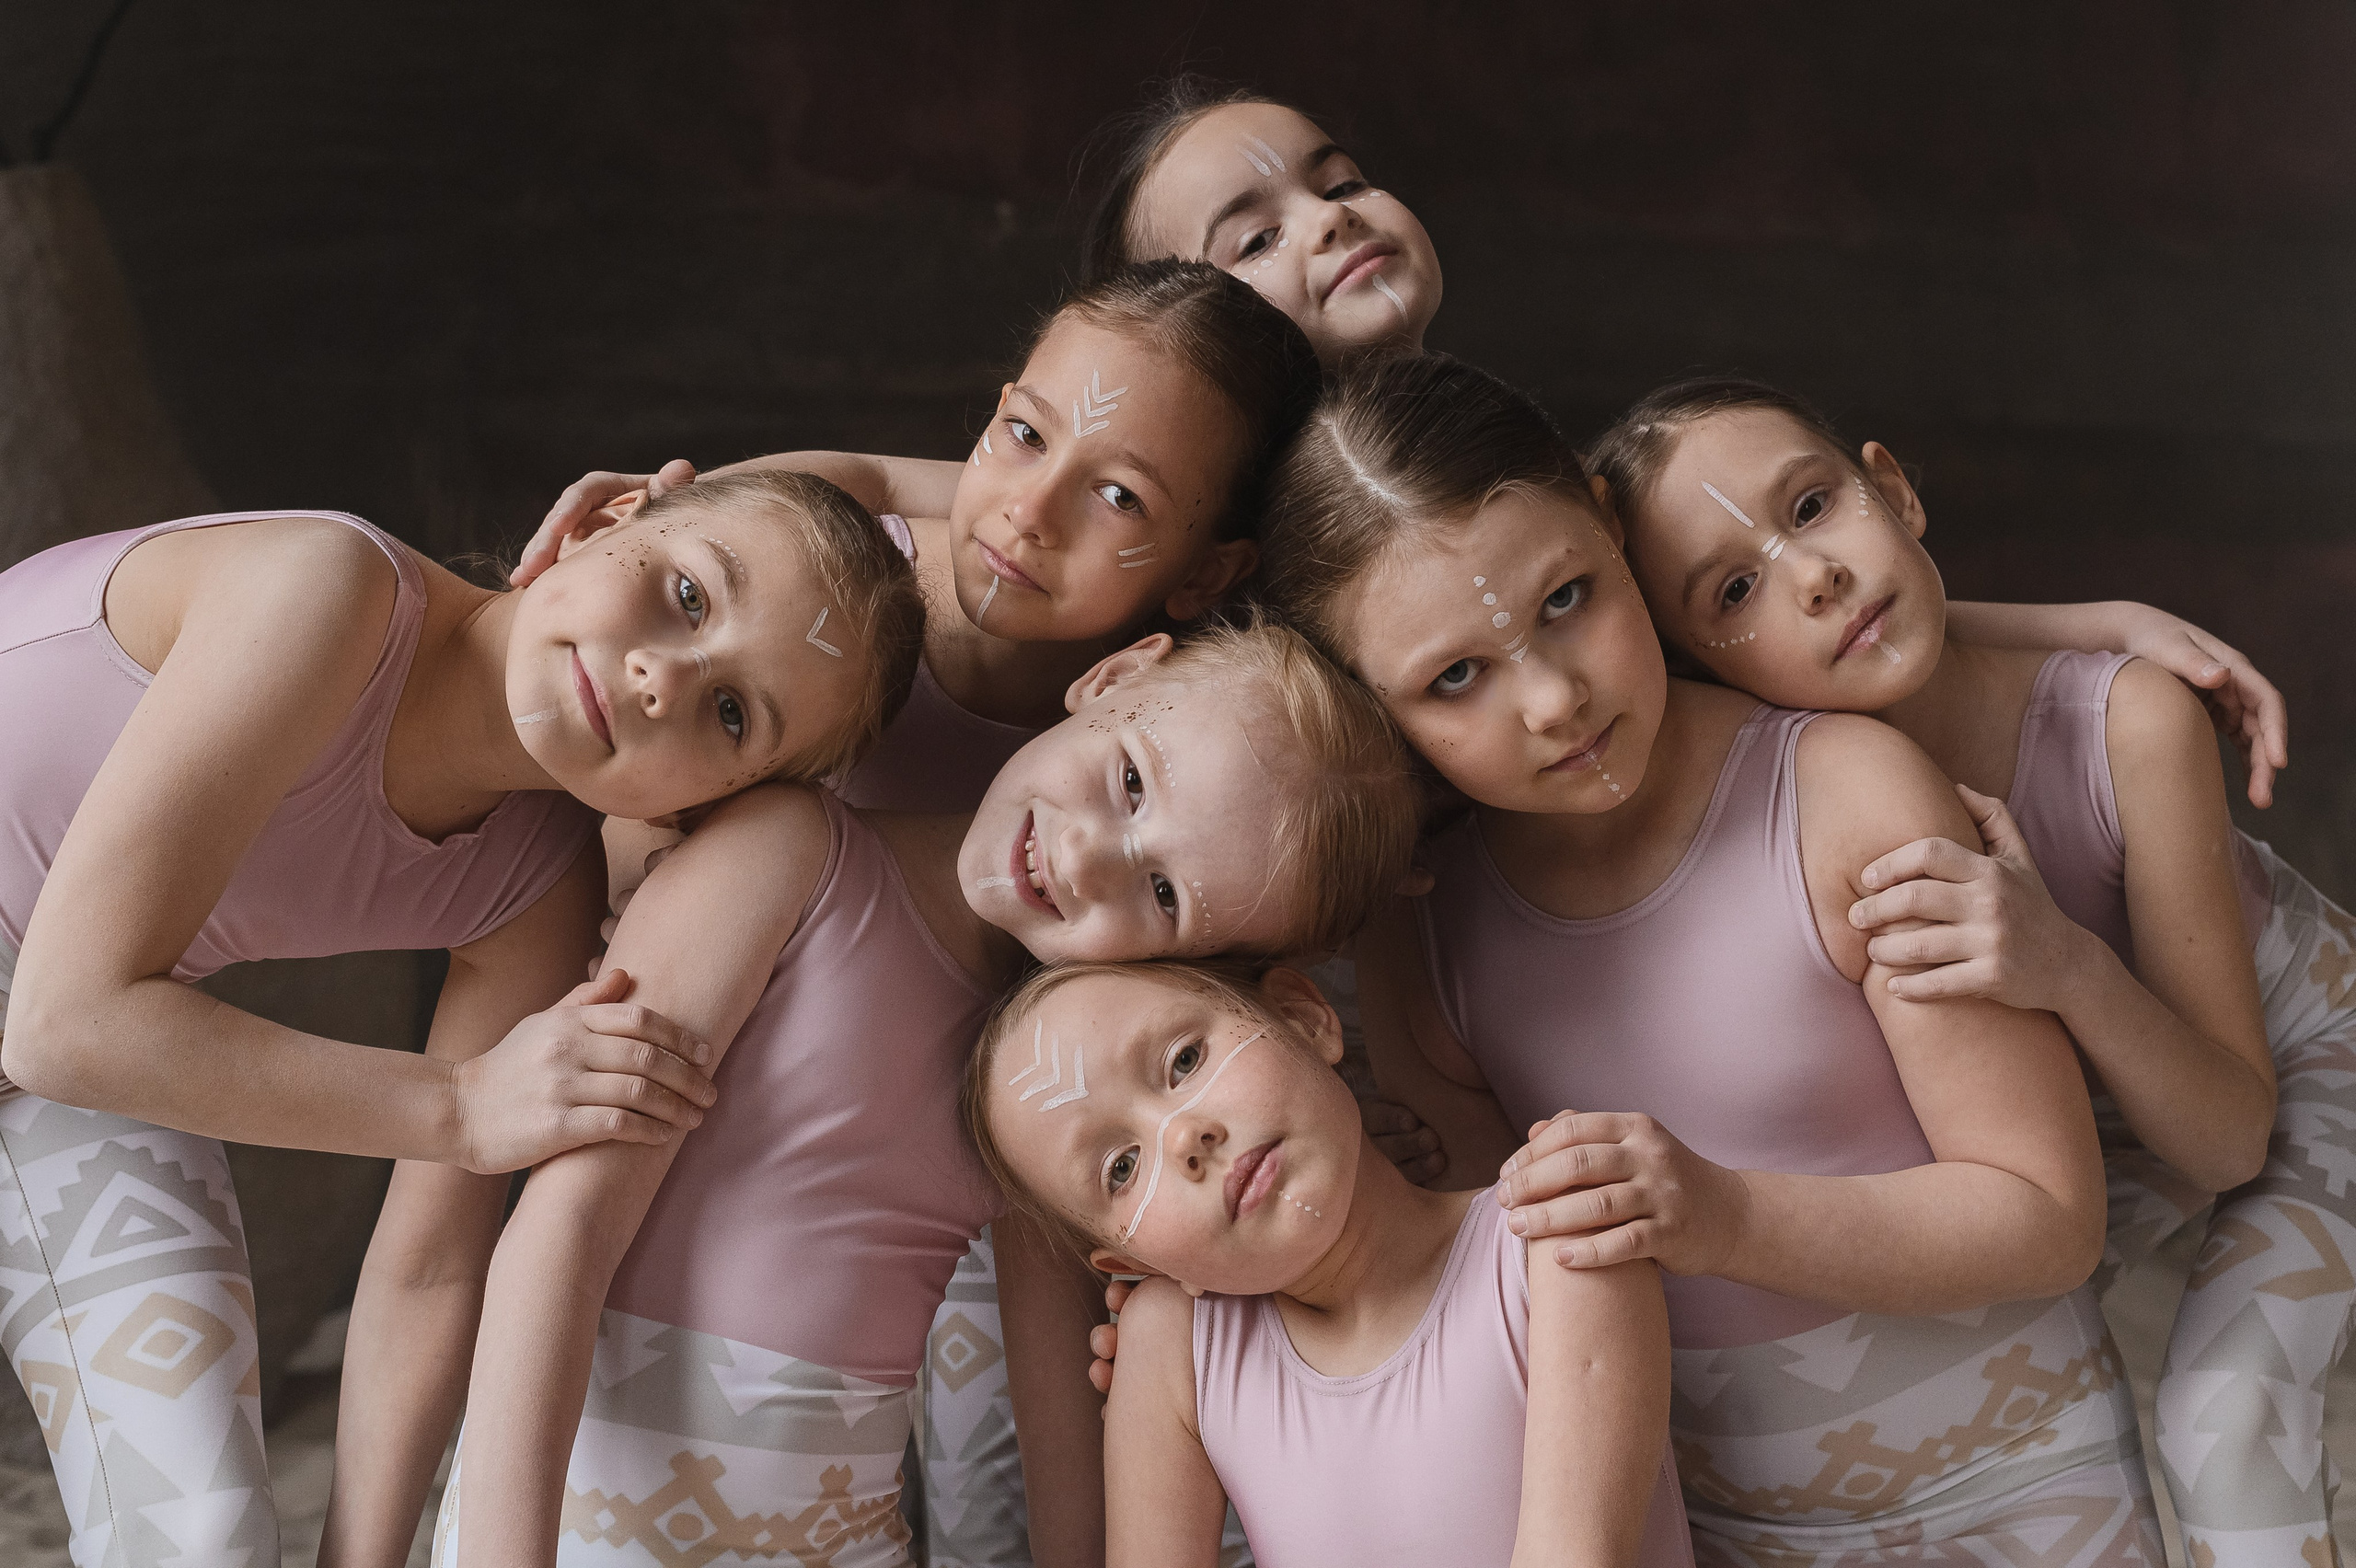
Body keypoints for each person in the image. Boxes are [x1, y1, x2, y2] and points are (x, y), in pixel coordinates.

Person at [1253, 352, 2164, 1563]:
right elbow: (1497, 1300)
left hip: (2022, 1497)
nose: (1553, 702)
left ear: (1611, 529)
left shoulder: (1843, 796)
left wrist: (1719, 1212)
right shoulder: (1423, 928)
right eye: (1457, 678)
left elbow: (2049, 1214)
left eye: (1567, 599)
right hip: (1714, 1526)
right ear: (1373, 717)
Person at [0, 468, 916, 1568]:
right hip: (64, 1031)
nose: (660, 678)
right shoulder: (324, 589)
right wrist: (466, 1102)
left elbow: (429, 1267)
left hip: (63, 1086)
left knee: (199, 1541)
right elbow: (64, 1017)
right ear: (596, 522)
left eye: (730, 714)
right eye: (686, 595)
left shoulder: (531, 889)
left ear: (698, 804)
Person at [419, 620, 1421, 1567]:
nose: (1082, 858)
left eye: (1163, 895)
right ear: (1114, 679)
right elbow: (564, 1232)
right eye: (1127, 781)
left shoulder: (1054, 1077)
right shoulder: (789, 854)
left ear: (1193, 960)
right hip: (572, 1523)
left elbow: (1053, 1395)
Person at [1588, 375, 2347, 1565]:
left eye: (1814, 507)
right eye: (1736, 590)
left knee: (2226, 1421)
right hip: (2102, 1107)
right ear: (1700, 684)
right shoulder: (1807, 802)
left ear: (1893, 489)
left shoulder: (2131, 723)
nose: (1814, 577)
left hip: (2290, 1067)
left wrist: (2067, 966)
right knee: (1987, 1343)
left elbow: (2228, 1139)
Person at [969, 957, 1693, 1568]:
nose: (1186, 1136)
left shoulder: (1559, 1232)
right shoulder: (1173, 1351)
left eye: (1184, 1061)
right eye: (1123, 1167)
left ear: (1305, 1018)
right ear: (1138, 1259)